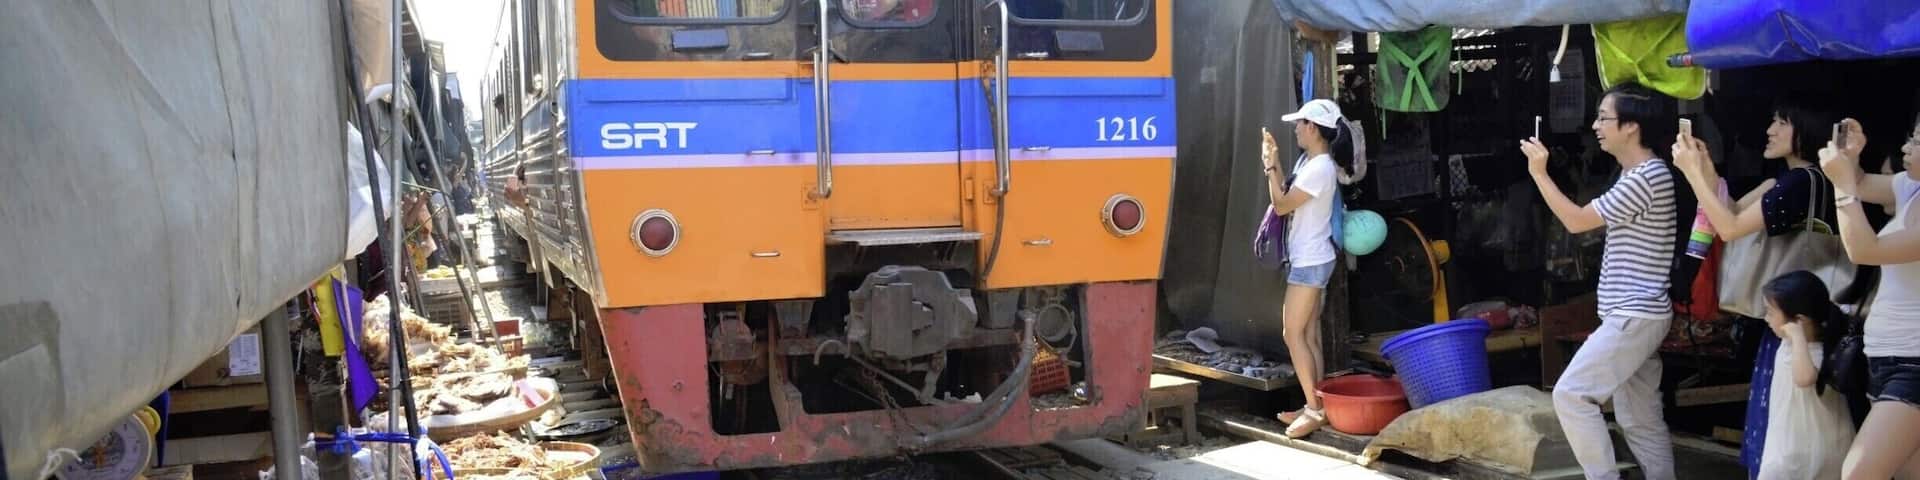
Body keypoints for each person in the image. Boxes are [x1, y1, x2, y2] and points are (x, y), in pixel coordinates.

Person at [1670, 102, 1846, 477]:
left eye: (1782, 122)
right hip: (1795, 323)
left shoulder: (1802, 182)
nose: (1770, 129)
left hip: (1797, 327)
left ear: (1806, 131)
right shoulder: (1782, 183)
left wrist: (1692, 174)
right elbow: (1726, 213)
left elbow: (1730, 228)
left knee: (1784, 430)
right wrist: (1704, 170)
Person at [1522, 82, 1679, 480]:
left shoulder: (1646, 176)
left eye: (1604, 118)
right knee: (1639, 420)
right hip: (1634, 315)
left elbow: (1576, 222)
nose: (1596, 126)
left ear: (1631, 127)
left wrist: (1540, 174)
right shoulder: (1641, 174)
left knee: (1572, 394)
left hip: (1634, 315)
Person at [1822, 116, 1920, 479]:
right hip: (1889, 357)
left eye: (1918, 141)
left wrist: (1841, 184)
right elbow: (1862, 183)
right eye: (1911, 136)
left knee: (1858, 473)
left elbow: (1865, 249)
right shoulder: (1911, 187)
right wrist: (1851, 160)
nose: (1906, 148)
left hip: (1914, 363)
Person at [1261, 99, 1354, 438]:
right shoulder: (1312, 161)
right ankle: (1316, 404)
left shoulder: (1319, 167)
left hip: (1310, 260)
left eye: (1300, 123)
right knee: (1310, 334)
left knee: (1293, 334)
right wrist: (1276, 165)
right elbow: (1288, 195)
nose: (1296, 128)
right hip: (1314, 257)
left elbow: (1282, 205)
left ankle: (1314, 410)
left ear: (1313, 128)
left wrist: (1271, 167)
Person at [1755, 271, 1856, 480]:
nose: (1767, 319)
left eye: (1771, 313)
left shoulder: (1817, 354)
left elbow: (1805, 378)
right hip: (1794, 444)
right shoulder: (1789, 343)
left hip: (1803, 452)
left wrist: (1799, 338)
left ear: (1799, 321)